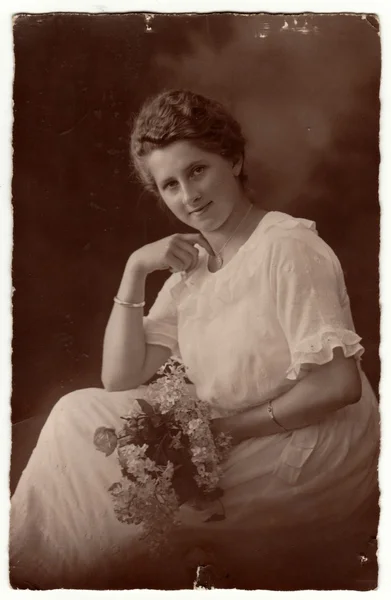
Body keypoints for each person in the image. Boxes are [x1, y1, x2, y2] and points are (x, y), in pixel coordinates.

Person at [10, 89, 380, 590]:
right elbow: (119, 377)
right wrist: (135, 268)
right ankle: (20, 575)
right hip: (233, 435)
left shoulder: (288, 247)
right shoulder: (192, 274)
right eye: (169, 185)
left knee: (115, 499)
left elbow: (339, 384)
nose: (188, 196)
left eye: (197, 170)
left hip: (310, 448)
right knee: (77, 415)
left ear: (234, 158)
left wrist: (226, 431)